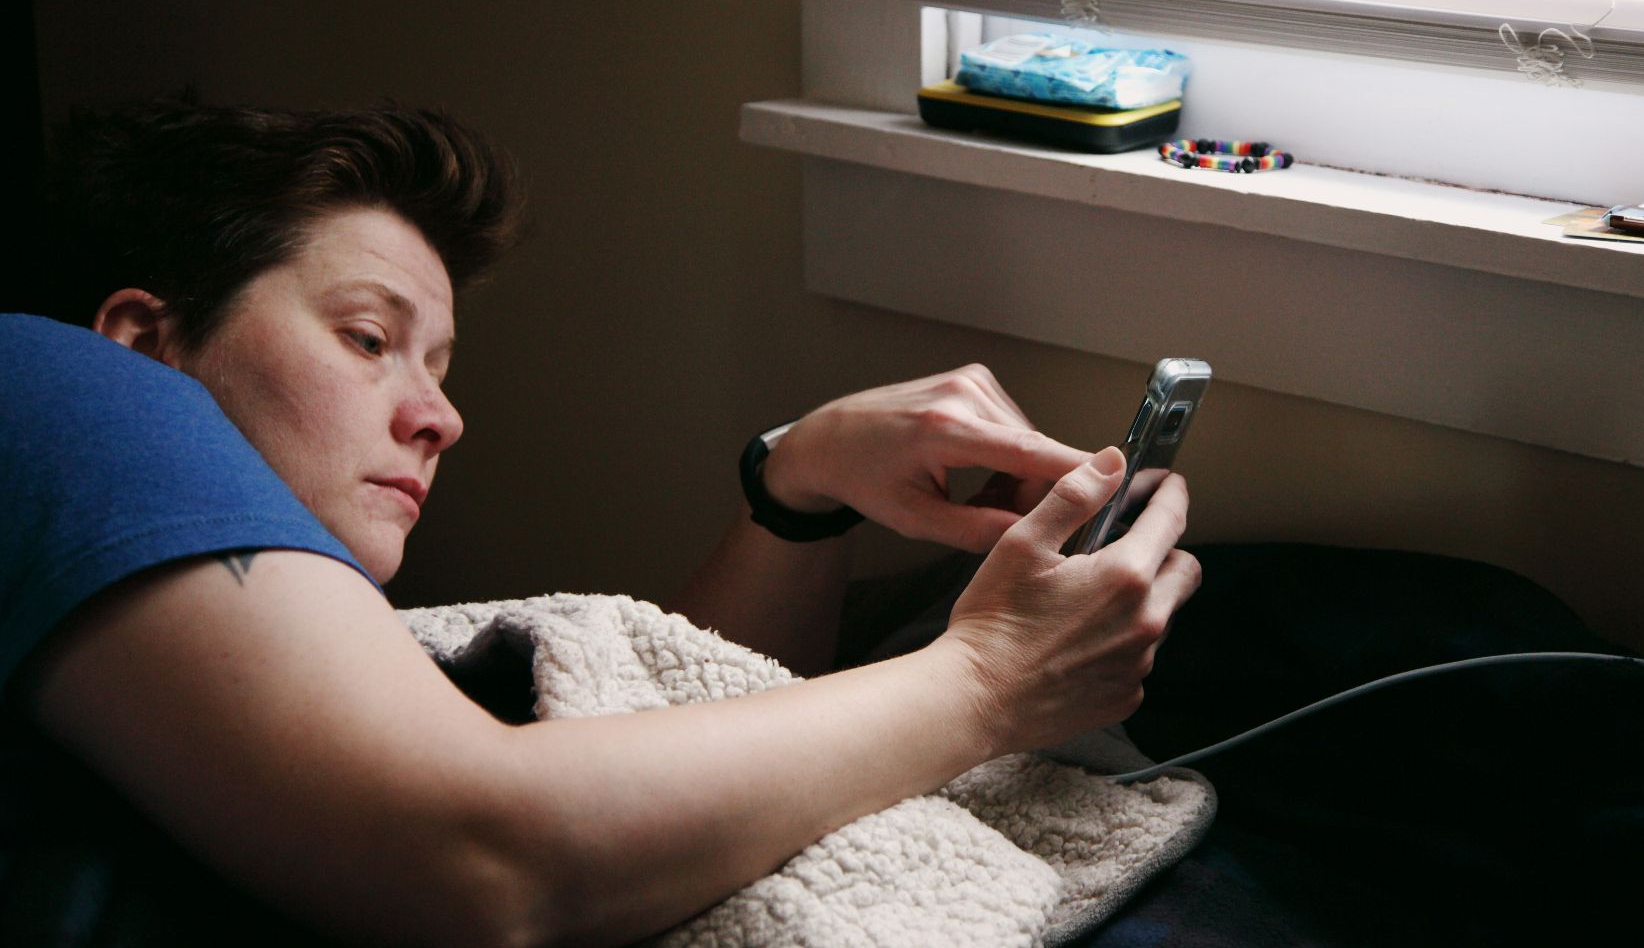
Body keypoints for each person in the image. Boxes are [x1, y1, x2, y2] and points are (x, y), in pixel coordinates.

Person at [3, 99, 1202, 945]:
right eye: (367, 339)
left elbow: (637, 742)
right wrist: (987, 682)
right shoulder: (60, 381)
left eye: (441, 364)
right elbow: (485, 858)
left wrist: (796, 489)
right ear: (146, 342)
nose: (442, 418)